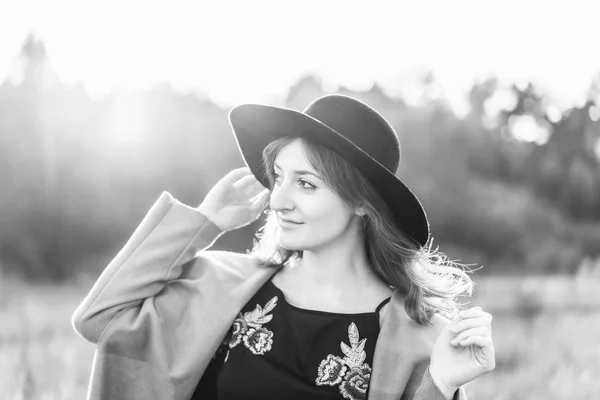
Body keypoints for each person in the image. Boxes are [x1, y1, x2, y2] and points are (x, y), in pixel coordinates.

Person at [72, 94, 495, 400]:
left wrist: (441, 385)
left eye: (306, 184)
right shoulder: (219, 286)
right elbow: (100, 318)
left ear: (362, 203)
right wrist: (204, 222)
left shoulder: (420, 338)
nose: (277, 199)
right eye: (278, 177)